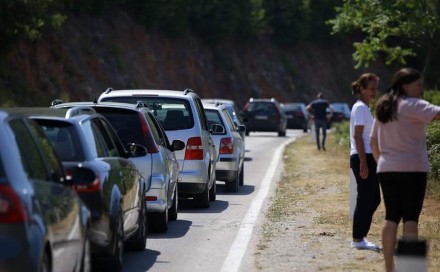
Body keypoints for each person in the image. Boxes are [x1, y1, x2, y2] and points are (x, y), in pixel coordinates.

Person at [370, 67, 440, 272]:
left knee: (391, 217)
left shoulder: (384, 105)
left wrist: (381, 162)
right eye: (418, 84)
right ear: (405, 85)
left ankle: (389, 267)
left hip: (386, 168)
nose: (421, 89)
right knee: (410, 219)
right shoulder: (414, 105)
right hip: (413, 169)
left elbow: (373, 140)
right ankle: (410, 269)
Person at [349, 73, 381, 250]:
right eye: (371, 88)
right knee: (365, 198)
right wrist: (363, 162)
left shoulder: (363, 107)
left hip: (368, 156)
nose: (374, 91)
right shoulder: (360, 108)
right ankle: (358, 238)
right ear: (362, 89)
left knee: (374, 198)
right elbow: (358, 136)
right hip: (364, 156)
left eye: (376, 88)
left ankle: (361, 236)